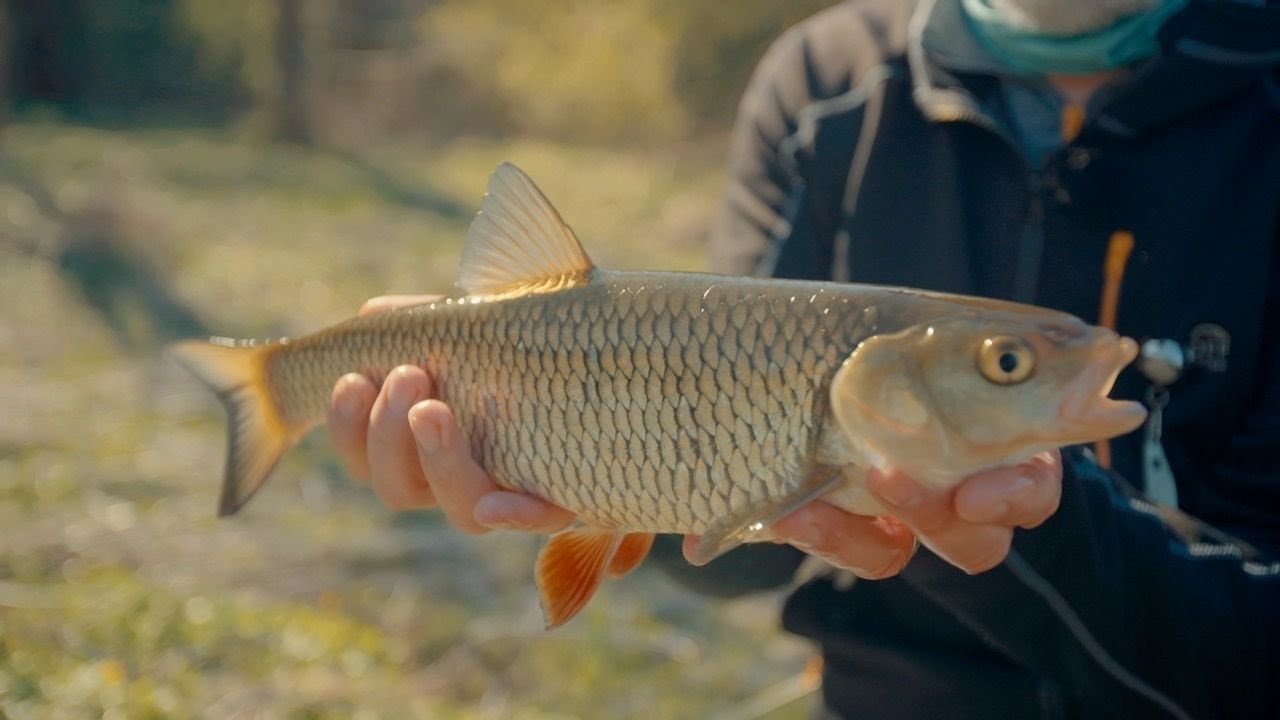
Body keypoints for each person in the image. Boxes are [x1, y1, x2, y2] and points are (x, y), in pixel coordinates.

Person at [327, 1, 1280, 717]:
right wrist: (589, 472)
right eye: (1006, 366)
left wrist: (1050, 526)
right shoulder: (825, 85)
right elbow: (729, 558)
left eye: (1005, 367)